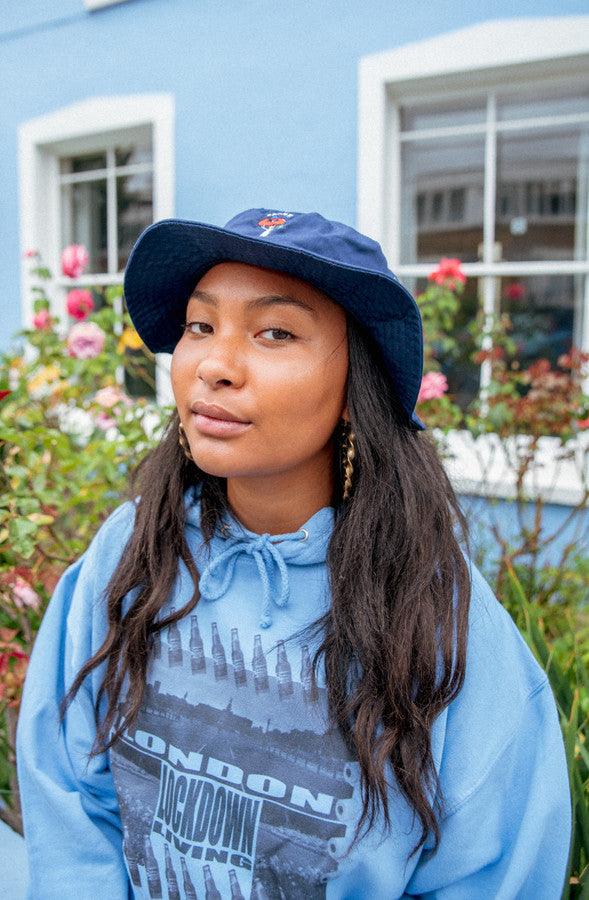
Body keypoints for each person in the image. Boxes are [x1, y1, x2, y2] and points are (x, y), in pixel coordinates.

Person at [16, 208, 571, 899]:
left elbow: (489, 872)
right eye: (199, 326)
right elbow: (69, 798)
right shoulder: (130, 555)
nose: (214, 366)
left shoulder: (438, 620)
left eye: (275, 332)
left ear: (354, 387)